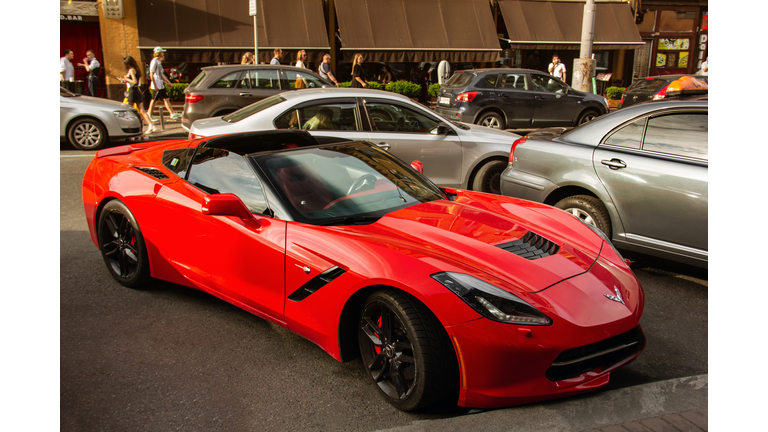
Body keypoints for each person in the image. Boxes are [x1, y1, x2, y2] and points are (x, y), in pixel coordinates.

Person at [119, 56, 154, 134]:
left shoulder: (131, 70)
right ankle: (151, 124)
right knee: (141, 110)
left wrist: (126, 79)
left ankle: (129, 125)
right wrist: (126, 80)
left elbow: (134, 81)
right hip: (136, 90)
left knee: (127, 108)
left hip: (133, 91)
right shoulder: (136, 69)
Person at [147, 46, 180, 122]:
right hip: (157, 84)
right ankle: (149, 115)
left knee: (166, 98)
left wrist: (167, 82)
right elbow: (151, 74)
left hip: (160, 84)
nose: (163, 55)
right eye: (162, 53)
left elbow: (161, 74)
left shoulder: (158, 62)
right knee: (154, 100)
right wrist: (155, 85)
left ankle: (172, 113)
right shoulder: (154, 61)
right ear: (159, 54)